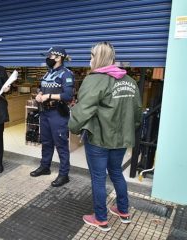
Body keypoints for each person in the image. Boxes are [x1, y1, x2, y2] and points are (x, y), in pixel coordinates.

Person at [68, 42, 142, 231]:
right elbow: (137, 113)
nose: (90, 59)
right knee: (116, 172)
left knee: (99, 178)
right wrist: (127, 131)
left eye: (91, 56)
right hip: (121, 139)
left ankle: (101, 218)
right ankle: (123, 211)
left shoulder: (94, 80)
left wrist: (73, 128)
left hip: (99, 139)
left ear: (98, 57)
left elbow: (83, 110)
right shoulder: (130, 81)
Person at [29, 46, 75, 188]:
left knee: (61, 144)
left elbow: (68, 95)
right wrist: (39, 95)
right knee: (46, 141)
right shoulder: (47, 74)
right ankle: (45, 166)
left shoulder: (66, 74)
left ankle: (64, 174)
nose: (47, 58)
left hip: (58, 113)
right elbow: (42, 89)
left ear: (58, 57)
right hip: (44, 112)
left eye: (50, 56)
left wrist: (49, 96)